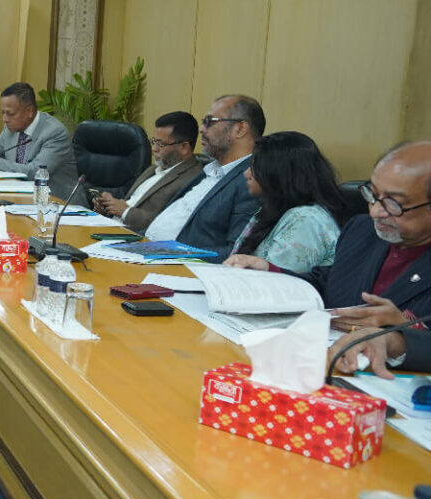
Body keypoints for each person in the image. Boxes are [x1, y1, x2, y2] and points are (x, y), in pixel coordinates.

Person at [230, 141, 431, 342]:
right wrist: (270, 271)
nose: (376, 212)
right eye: (373, 195)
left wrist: (405, 335)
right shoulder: (362, 230)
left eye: (394, 203)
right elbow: (328, 283)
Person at [141, 94, 263, 256]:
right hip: (144, 248)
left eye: (210, 122)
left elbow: (234, 252)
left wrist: (173, 253)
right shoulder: (208, 171)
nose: (201, 129)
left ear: (240, 129)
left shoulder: (252, 181)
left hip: (175, 263)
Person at [223, 131, 352, 272]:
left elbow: (278, 279)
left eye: (255, 167)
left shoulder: (306, 220)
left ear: (279, 172)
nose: (246, 174)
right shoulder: (272, 209)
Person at [0, 82, 77, 199]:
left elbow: (35, 172)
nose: (5, 119)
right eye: (3, 113)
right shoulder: (12, 128)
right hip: (20, 197)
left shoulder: (54, 133)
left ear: (30, 111)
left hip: (58, 203)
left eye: (10, 113)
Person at [91, 110, 203, 234]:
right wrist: (108, 207)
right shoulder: (152, 169)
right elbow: (132, 203)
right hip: (110, 229)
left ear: (184, 147)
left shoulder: (194, 179)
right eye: (153, 141)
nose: (154, 149)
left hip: (137, 239)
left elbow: (169, 227)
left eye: (160, 144)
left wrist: (125, 211)